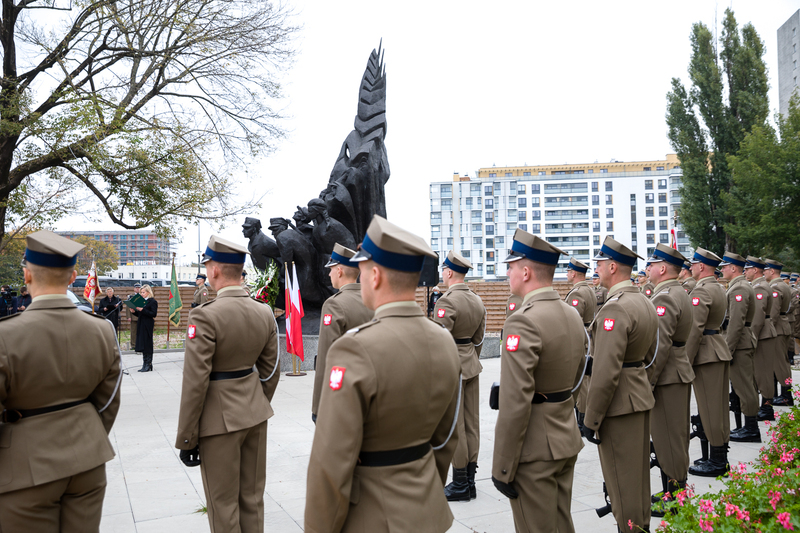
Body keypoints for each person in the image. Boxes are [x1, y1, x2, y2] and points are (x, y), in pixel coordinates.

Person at [304, 215, 461, 533]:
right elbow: (446, 437)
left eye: (361, 267)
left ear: (374, 275)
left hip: (373, 516)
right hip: (428, 510)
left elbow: (331, 463)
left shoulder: (354, 349)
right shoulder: (443, 340)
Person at [0, 230, 121, 532]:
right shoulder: (102, 329)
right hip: (88, 460)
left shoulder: (6, 334)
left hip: (25, 466)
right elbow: (109, 398)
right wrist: (88, 434)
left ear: (26, 275)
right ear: (73, 277)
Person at [175, 235, 279, 533]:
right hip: (255, 414)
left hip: (218, 422)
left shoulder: (205, 316)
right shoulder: (263, 311)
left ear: (215, 270)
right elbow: (271, 371)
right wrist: (256, 401)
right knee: (252, 499)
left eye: (207, 265)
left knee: (223, 506)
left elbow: (195, 382)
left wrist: (187, 437)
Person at [491, 230, 586, 533]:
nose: (508, 273)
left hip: (535, 447)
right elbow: (579, 373)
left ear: (526, 271)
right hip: (564, 435)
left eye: (511, 266)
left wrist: (503, 467)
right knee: (561, 524)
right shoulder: (570, 314)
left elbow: (515, 400)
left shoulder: (523, 320)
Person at [583, 236, 657, 531]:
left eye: (600, 263)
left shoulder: (615, 308)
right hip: (637, 396)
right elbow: (651, 357)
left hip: (617, 405)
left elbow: (605, 372)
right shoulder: (642, 300)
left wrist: (592, 418)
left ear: (613, 266)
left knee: (621, 485)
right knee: (637, 481)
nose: (596, 268)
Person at [643, 244, 694, 516]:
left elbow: (659, 347)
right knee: (674, 436)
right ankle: (673, 492)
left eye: (652, 264)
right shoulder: (677, 291)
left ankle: (675, 500)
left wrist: (648, 381)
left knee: (668, 439)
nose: (648, 269)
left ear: (662, 268)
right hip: (676, 371)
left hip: (666, 376)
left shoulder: (665, 297)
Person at [434, 250, 486, 502]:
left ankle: (460, 483)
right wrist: (469, 357)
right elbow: (478, 339)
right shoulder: (476, 299)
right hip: (471, 364)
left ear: (450, 272)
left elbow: (439, 342)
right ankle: (471, 481)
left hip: (452, 368)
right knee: (471, 423)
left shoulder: (446, 301)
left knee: (456, 426)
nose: (442, 275)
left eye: (443, 270)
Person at [312, 243, 373, 423]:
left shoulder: (334, 304)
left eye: (331, 269)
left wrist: (318, 406)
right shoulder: (372, 300)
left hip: (345, 389)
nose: (329, 274)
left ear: (339, 271)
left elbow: (326, 357)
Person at [685, 248, 731, 477]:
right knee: (719, 407)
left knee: (710, 408)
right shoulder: (718, 287)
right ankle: (719, 455)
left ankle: (717, 461)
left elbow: (694, 330)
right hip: (717, 349)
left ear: (701, 266)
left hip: (706, 354)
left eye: (694, 264)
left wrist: (686, 360)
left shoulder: (701, 291)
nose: (691, 267)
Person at [719, 252, 760, 443]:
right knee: (743, 387)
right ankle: (748, 425)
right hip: (742, 342)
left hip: (740, 343)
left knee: (745, 388)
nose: (722, 269)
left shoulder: (739, 288)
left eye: (724, 266)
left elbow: (736, 323)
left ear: (733, 268)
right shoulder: (738, 286)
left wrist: (728, 350)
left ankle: (751, 429)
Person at [744, 256, 779, 421]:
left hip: (762, 333)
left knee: (763, 372)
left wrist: (752, 337)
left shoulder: (759, 288)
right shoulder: (759, 286)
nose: (745, 271)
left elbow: (758, 318)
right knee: (761, 371)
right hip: (764, 332)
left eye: (747, 268)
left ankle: (766, 407)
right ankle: (766, 404)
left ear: (755, 270)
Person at [564, 257, 595, 432]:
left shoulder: (577, 293)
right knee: (586, 379)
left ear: (574, 273)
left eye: (568, 271)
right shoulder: (588, 289)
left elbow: (573, 320)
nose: (567, 274)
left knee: (582, 381)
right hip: (588, 337)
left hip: (581, 338)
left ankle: (582, 420)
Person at [765, 260, 794, 407]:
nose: (763, 272)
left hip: (778, 328)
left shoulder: (775, 287)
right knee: (783, 362)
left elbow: (773, 313)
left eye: (766, 270)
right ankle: (785, 393)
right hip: (784, 325)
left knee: (780, 363)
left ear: (772, 271)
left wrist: (768, 329)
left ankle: (786, 395)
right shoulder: (782, 285)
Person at [132, 284, 158, 372]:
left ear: (148, 292)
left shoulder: (152, 301)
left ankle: (149, 364)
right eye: (141, 292)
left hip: (148, 324)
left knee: (148, 343)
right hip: (141, 323)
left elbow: (153, 314)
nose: (142, 294)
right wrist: (134, 312)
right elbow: (139, 314)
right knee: (143, 343)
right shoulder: (141, 301)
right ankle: (144, 363)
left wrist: (142, 309)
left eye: (143, 292)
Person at [125, 283, 142, 351]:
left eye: (139, 288)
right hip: (133, 316)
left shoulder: (142, 295)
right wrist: (128, 316)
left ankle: (140, 344)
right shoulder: (131, 296)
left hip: (141, 316)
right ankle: (133, 345)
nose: (137, 289)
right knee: (133, 331)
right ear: (134, 289)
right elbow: (127, 307)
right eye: (136, 288)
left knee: (141, 332)